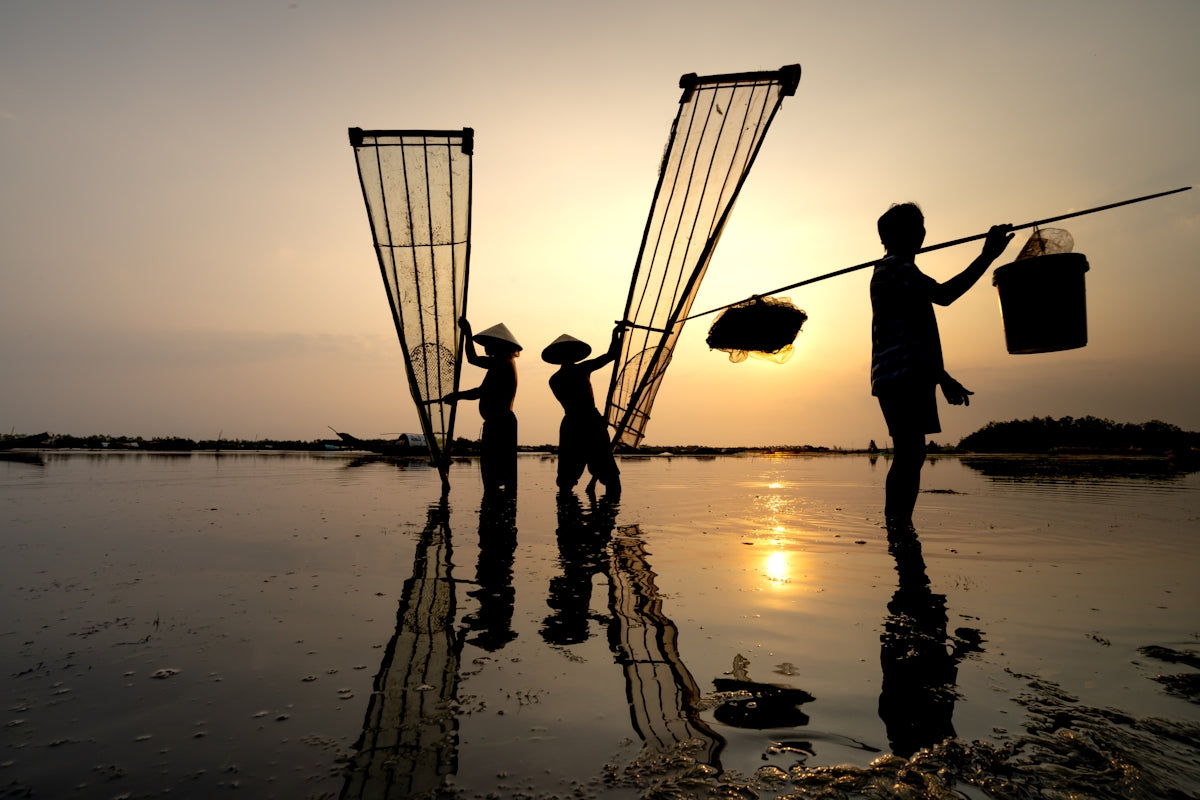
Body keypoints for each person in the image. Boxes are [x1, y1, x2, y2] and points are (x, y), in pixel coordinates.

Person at [870, 203, 1013, 528]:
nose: (920, 233)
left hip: (904, 374)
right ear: (892, 236)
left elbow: (916, 333)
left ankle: (899, 523)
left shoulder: (901, 270)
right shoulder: (895, 268)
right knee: (910, 453)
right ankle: (898, 525)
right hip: (901, 375)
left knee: (912, 453)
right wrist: (988, 255)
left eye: (921, 226)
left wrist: (941, 376)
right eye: (913, 227)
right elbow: (945, 295)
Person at [428, 318, 520, 494]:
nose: (486, 347)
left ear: (499, 345)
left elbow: (480, 391)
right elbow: (472, 358)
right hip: (498, 422)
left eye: (490, 343)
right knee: (496, 475)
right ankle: (496, 513)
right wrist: (467, 333)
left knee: (496, 476)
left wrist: (457, 396)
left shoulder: (502, 363)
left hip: (501, 423)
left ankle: (497, 515)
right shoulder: (500, 362)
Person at [541, 322, 625, 496]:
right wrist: (615, 335)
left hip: (582, 423)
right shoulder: (566, 375)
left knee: (607, 476)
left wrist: (615, 334)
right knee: (568, 479)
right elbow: (612, 355)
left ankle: (600, 515)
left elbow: (612, 355)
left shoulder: (566, 375)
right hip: (583, 424)